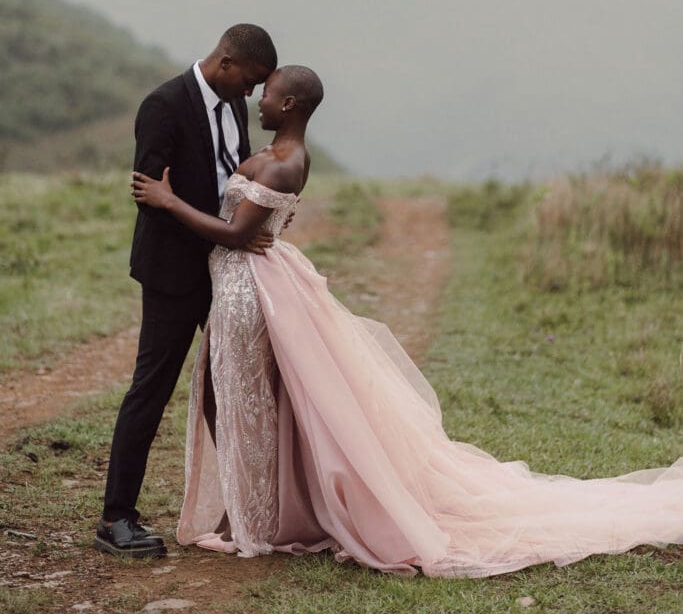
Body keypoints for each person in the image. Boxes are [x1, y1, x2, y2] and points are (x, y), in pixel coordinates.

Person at [131, 66, 683, 577]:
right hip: (240, 284)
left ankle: (246, 526)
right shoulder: (279, 151)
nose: (259, 100)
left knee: (242, 401)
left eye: (269, 94)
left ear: (291, 102)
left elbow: (233, 234)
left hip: (246, 290)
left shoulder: (280, 160)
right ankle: (245, 513)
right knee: (230, 398)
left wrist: (168, 199)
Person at [94, 24, 278, 559]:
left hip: (228, 272)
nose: (252, 93)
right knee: (151, 388)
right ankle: (116, 518)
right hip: (175, 275)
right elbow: (151, 195)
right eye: (252, 80)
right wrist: (218, 234)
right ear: (226, 63)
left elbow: (229, 178)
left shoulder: (233, 104)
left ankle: (249, 506)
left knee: (234, 387)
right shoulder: (163, 105)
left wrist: (240, 233)